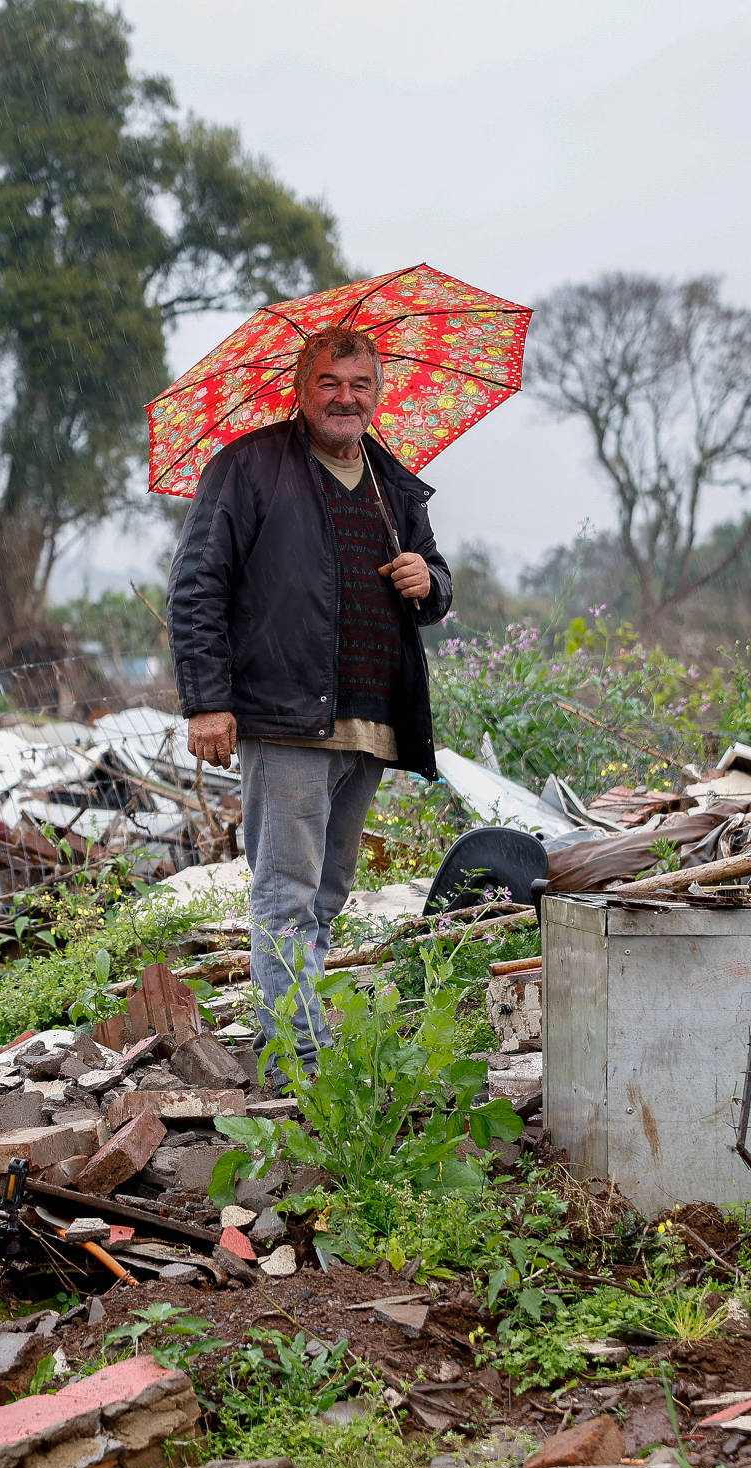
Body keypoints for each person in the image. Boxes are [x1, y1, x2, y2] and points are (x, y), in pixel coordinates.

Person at [165, 325, 453, 1067]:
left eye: (360, 385)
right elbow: (196, 585)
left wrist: (428, 581)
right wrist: (206, 701)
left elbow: (436, 585)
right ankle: (299, 1057)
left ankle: (295, 1040)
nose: (345, 398)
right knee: (287, 891)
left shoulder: (393, 484)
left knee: (328, 892)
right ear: (300, 389)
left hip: (372, 721)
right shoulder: (250, 467)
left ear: (379, 392)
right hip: (286, 717)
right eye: (330, 383)